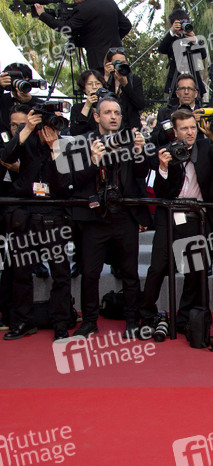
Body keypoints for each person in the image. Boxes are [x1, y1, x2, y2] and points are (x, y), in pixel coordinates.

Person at [138, 110, 213, 335]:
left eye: (193, 127)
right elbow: (160, 192)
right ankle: (146, 314)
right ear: (175, 132)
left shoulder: (205, 147)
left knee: (194, 271)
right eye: (184, 128)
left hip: (197, 218)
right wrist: (163, 169)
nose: (189, 132)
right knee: (157, 268)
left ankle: (184, 318)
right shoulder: (165, 151)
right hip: (168, 217)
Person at [55, 97, 151, 338]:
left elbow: (141, 174)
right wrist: (93, 161)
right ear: (97, 116)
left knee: (130, 272)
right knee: (90, 273)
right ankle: (89, 320)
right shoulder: (82, 142)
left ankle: (132, 320)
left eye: (117, 113)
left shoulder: (130, 139)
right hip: (94, 217)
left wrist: (139, 152)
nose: (113, 117)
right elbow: (73, 182)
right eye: (107, 112)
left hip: (124, 216)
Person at [1, 106, 72, 341]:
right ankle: (23, 321)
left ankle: (60, 322)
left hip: (54, 216)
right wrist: (26, 129)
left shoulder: (63, 146)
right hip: (26, 215)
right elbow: (6, 156)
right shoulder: (26, 141)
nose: (50, 129)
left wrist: (54, 149)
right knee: (21, 273)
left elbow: (64, 184)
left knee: (60, 273)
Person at [35, 0, 132, 72]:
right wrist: (113, 39)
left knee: (102, 88)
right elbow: (126, 26)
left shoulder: (84, 8)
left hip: (99, 61)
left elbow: (65, 27)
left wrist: (42, 14)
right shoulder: (110, 2)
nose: (74, 1)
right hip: (118, 59)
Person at [158, 9, 207, 97]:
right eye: (178, 23)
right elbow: (162, 49)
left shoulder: (192, 40)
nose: (181, 26)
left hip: (194, 80)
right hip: (175, 82)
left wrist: (195, 40)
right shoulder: (171, 40)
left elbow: (203, 55)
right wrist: (172, 32)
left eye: (183, 23)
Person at [102, 48, 144, 132]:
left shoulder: (134, 80)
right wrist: (106, 78)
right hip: (111, 129)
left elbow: (140, 105)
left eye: (123, 62)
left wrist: (126, 85)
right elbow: (101, 102)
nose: (120, 65)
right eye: (117, 63)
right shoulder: (108, 81)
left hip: (132, 129)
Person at [69, 69, 105, 136]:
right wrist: (87, 106)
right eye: (90, 84)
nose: (94, 87)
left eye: (97, 83)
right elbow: (75, 133)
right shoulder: (77, 108)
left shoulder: (109, 105)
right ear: (84, 88)